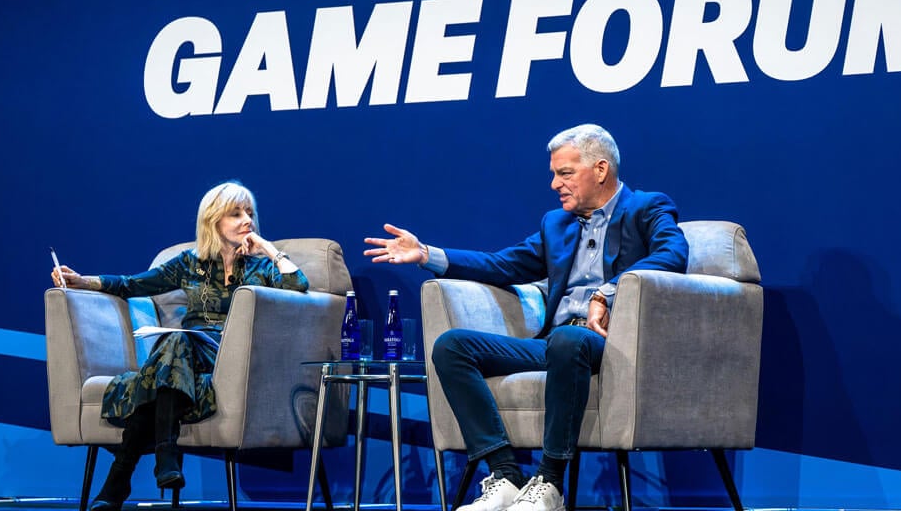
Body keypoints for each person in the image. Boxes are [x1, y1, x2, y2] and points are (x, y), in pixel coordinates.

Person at [364, 124, 688, 511]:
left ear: (601, 170)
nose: (554, 184)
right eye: (553, 174)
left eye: (565, 173)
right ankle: (505, 475)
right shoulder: (557, 224)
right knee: (452, 347)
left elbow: (673, 254)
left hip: (610, 342)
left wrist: (607, 291)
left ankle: (550, 482)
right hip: (555, 343)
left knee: (570, 341)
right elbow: (503, 265)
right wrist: (427, 254)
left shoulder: (647, 208)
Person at [50, 181, 309, 511]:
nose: (247, 220)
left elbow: (298, 287)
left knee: (172, 348)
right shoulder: (191, 263)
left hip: (227, 357)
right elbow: (134, 284)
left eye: (250, 213)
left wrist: (268, 248)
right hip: (184, 356)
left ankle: (125, 475)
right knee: (175, 343)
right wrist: (83, 281)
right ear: (213, 221)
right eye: (236, 214)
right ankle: (156, 463)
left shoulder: (260, 268)